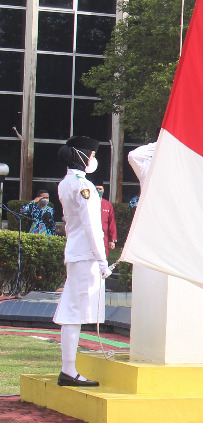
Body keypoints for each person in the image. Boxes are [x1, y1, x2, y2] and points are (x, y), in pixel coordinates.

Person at [51, 136, 110, 387]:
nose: (94, 160)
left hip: (76, 251)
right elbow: (92, 226)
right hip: (86, 253)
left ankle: (68, 369)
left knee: (72, 311)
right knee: (75, 312)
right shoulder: (83, 185)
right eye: (93, 155)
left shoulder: (66, 183)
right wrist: (102, 259)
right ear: (82, 156)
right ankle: (69, 371)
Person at [96, 185, 118, 252]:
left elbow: (111, 223)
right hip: (91, 236)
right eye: (96, 189)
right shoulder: (87, 203)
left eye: (100, 189)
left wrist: (112, 240)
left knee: (104, 257)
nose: (98, 191)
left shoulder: (107, 204)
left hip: (104, 237)